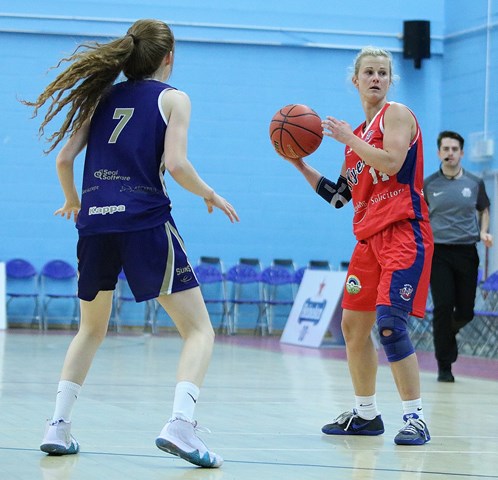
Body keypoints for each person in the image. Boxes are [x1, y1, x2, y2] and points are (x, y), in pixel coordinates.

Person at [24, 19, 239, 468]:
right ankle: (180, 424)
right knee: (199, 330)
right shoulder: (173, 98)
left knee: (90, 330)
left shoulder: (100, 96)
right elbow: (176, 165)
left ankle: (57, 426)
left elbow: (64, 159)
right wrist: (210, 194)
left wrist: (73, 201)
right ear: (169, 57)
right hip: (144, 222)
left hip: (95, 225)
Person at [284, 46, 433, 445]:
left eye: (383, 72)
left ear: (390, 80)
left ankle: (416, 418)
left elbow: (392, 162)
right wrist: (300, 164)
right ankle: (366, 414)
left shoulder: (396, 114)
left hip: (403, 232)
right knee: (352, 326)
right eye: (369, 72)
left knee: (390, 324)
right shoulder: (354, 145)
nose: (376, 78)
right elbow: (338, 197)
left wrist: (349, 136)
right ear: (356, 80)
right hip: (368, 240)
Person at [424, 131, 493, 382]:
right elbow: (421, 215)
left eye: (454, 149)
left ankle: (448, 333)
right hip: (439, 253)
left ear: (462, 153)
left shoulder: (474, 182)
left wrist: (483, 232)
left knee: (466, 312)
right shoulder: (429, 184)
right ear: (439, 153)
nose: (450, 153)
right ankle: (444, 366)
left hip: (466, 251)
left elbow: (484, 209)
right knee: (443, 307)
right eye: (446, 149)